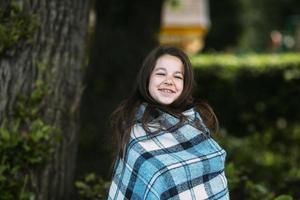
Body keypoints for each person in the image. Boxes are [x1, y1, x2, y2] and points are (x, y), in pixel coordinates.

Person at [107, 46, 229, 199]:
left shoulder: (195, 124)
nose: (169, 81)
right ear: (147, 78)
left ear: (185, 84)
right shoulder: (136, 132)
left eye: (178, 77)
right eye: (160, 73)